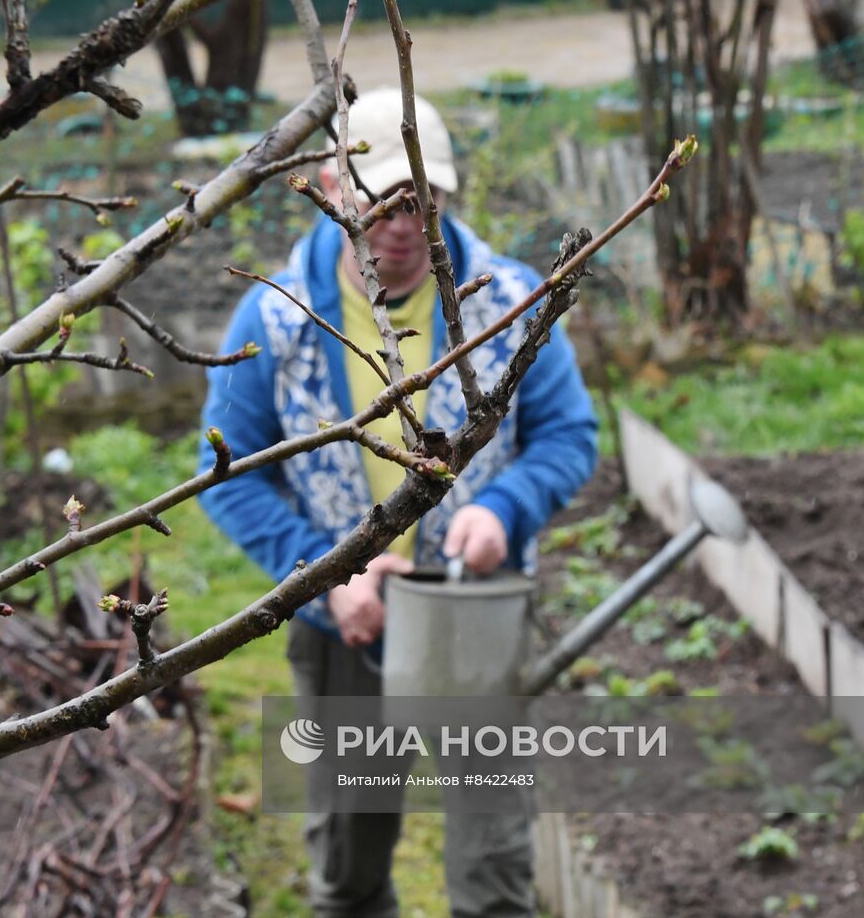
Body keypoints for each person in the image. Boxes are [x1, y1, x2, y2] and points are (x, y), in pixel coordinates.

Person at [197, 88, 598, 917]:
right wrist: (322, 577)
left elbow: (568, 435)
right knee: (349, 866)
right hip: (348, 622)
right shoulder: (276, 320)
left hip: (472, 611)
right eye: (384, 202)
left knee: (495, 867)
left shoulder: (509, 301)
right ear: (332, 187)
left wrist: (505, 511)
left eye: (425, 201)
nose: (405, 225)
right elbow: (228, 474)